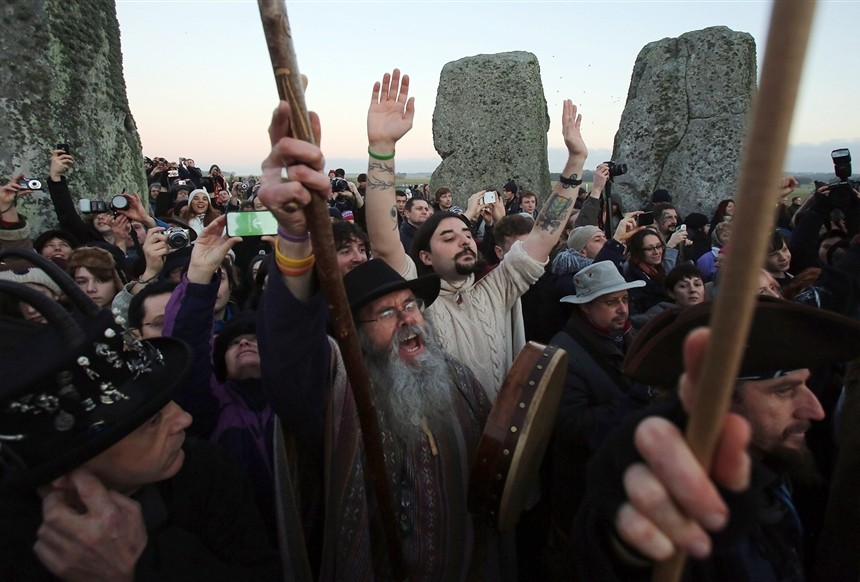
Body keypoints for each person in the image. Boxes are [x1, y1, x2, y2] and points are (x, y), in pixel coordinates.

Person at [0, 253, 281, 580]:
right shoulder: (13, 542)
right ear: (63, 473)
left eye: (167, 405)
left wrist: (146, 566)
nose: (183, 420)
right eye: (151, 422)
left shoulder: (204, 470)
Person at [573, 297, 860, 581]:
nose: (816, 410)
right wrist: (626, 537)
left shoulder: (773, 466)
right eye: (784, 390)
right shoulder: (688, 502)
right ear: (720, 401)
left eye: (806, 385)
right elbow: (620, 549)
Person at [364, 69, 587, 399]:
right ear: (424, 255)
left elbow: (544, 233)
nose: (464, 239)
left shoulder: (498, 287)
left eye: (466, 233)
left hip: (499, 442)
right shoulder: (415, 303)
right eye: (448, 237)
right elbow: (384, 243)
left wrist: (576, 161)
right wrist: (382, 148)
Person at [545, 260, 646, 570]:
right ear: (585, 308)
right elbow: (572, 424)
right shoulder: (564, 352)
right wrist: (634, 401)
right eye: (610, 301)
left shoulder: (627, 336)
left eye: (624, 300)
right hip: (587, 488)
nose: (621, 309)